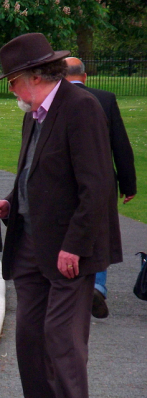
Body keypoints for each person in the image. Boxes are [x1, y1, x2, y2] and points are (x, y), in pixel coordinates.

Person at [0, 33, 121, 398]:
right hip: (31, 242)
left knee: (62, 341)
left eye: (11, 81)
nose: (11, 90)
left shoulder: (80, 109)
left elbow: (98, 186)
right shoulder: (34, 116)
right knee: (28, 337)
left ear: (31, 78)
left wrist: (75, 247)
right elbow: (34, 174)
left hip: (69, 249)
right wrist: (9, 202)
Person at [64, 56, 137, 319]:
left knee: (68, 226)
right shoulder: (104, 99)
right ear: (84, 76)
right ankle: (96, 284)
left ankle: (70, 284)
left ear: (62, 77)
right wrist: (128, 184)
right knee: (99, 228)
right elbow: (120, 144)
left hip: (63, 180)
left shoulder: (55, 100)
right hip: (102, 178)